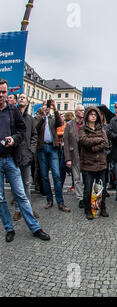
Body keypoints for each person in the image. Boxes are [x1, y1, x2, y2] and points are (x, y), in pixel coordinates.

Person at [0, 79, 50, 242]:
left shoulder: (12, 111)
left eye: (3, 92)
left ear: (7, 93)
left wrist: (14, 139)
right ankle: (9, 228)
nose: (1, 95)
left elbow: (23, 130)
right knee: (0, 198)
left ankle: (35, 228)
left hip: (11, 159)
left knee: (21, 194)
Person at [35, 100, 71, 212]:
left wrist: (55, 109)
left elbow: (60, 123)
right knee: (44, 176)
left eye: (48, 106)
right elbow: (35, 128)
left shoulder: (52, 118)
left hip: (53, 148)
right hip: (41, 148)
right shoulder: (37, 118)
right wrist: (43, 117)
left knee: (56, 175)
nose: (46, 108)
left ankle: (60, 202)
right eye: (45, 106)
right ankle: (49, 200)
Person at [78, 107, 109, 220]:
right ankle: (88, 210)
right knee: (88, 188)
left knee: (101, 188)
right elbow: (84, 141)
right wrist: (98, 140)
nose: (93, 116)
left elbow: (105, 143)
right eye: (91, 114)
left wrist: (94, 147)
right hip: (87, 163)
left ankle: (102, 208)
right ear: (87, 116)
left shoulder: (102, 130)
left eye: (95, 114)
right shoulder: (82, 129)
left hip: (100, 162)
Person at [11, 93, 38, 221]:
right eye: (20, 97)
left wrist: (31, 150)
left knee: (27, 183)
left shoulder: (30, 119)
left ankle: (27, 208)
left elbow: (34, 136)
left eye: (24, 97)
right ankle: (17, 209)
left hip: (26, 155)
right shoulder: (12, 116)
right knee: (16, 184)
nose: (22, 98)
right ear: (17, 101)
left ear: (27, 102)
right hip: (14, 154)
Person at [63, 103, 84, 209]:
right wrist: (68, 159)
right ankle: (80, 197)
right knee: (76, 178)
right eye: (80, 110)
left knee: (86, 177)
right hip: (74, 154)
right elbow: (65, 142)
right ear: (76, 112)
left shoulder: (86, 124)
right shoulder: (70, 124)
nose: (83, 112)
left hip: (85, 155)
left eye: (83, 110)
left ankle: (87, 195)